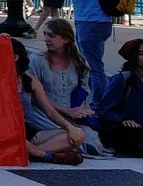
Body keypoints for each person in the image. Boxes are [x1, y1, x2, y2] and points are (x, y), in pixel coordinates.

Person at [28, 19, 114, 156]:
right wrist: (67, 110)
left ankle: (55, 149)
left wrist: (81, 110)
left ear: (66, 39)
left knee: (90, 137)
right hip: (43, 112)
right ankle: (39, 151)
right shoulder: (37, 60)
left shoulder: (78, 61)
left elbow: (84, 90)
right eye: (45, 35)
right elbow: (35, 96)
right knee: (71, 134)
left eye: (51, 36)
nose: (46, 39)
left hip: (70, 113)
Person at [9, 37, 86, 165]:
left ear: (15, 57)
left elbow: (50, 111)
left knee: (75, 135)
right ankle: (46, 155)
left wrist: (70, 127)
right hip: (6, 131)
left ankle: (31, 153)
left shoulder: (30, 81)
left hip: (26, 131)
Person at [98, 38, 143, 156]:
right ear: (132, 56)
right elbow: (105, 110)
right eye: (141, 53)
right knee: (131, 132)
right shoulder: (122, 79)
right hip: (129, 130)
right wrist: (121, 120)